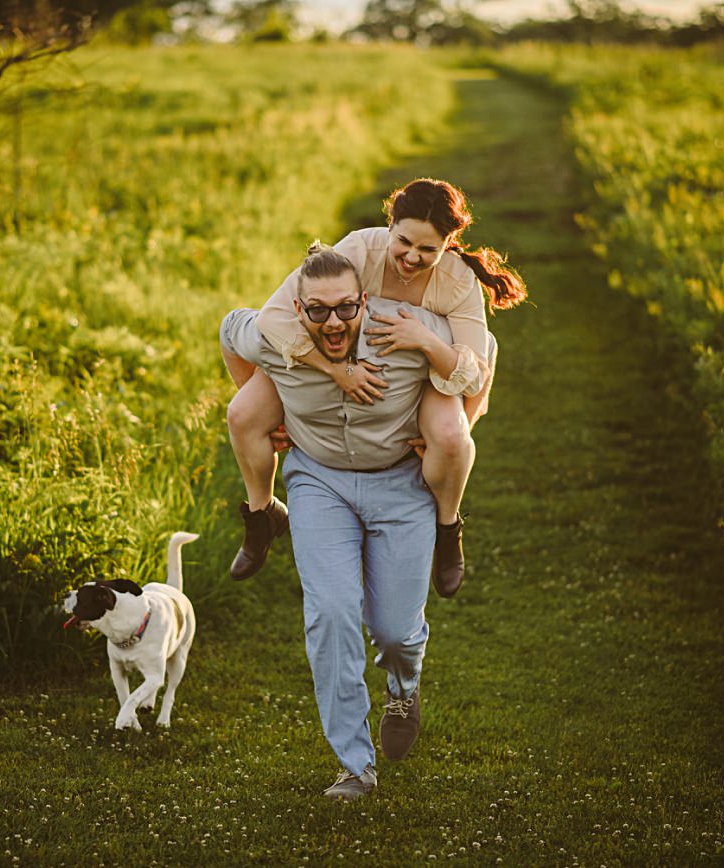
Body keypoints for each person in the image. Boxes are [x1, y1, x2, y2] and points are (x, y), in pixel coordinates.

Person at [220, 243, 488, 800]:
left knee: (394, 628)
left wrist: (459, 424)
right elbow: (229, 330)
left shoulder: (405, 330)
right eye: (317, 310)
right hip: (320, 484)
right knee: (332, 614)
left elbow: (483, 355)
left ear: (364, 301)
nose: (334, 321)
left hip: (401, 485)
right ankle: (354, 765)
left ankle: (403, 685)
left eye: (346, 307)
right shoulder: (277, 338)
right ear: (298, 311)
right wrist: (260, 400)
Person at [225, 179, 524, 597]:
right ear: (390, 224)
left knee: (452, 439)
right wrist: (332, 375)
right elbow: (273, 317)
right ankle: (263, 514)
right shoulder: (357, 251)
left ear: (448, 243)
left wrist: (424, 340)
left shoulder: (458, 282)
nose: (412, 257)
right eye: (403, 241)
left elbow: (476, 369)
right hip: (338, 357)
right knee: (242, 414)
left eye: (428, 250)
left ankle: (447, 526)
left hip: (425, 369)